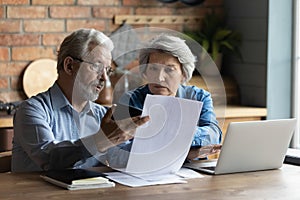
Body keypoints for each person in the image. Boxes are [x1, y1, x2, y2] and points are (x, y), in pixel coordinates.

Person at [11, 28, 149, 172]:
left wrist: (152, 141)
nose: (104, 78)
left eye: (107, 70)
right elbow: (50, 159)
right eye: (96, 66)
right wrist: (101, 140)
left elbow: (120, 158)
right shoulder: (31, 110)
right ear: (70, 66)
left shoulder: (102, 114)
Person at [118, 34, 222, 160]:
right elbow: (122, 151)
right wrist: (185, 152)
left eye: (169, 70)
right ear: (145, 72)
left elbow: (214, 134)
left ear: (183, 74)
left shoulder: (199, 97)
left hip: (192, 171)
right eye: (153, 69)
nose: (160, 78)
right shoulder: (130, 100)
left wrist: (177, 132)